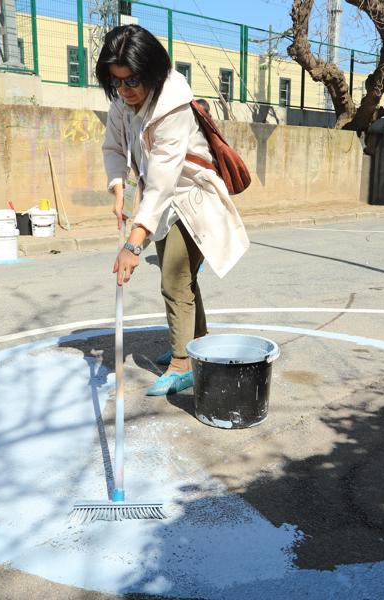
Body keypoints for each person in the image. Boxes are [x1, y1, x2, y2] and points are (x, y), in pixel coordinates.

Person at [98, 25, 249, 396]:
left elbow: (165, 178)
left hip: (191, 199)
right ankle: (195, 341)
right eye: (116, 81)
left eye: (132, 79)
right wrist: (118, 187)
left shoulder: (173, 105)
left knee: (174, 278)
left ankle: (183, 362)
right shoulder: (122, 102)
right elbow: (113, 149)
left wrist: (133, 245)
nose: (125, 89)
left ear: (150, 71)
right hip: (160, 202)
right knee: (181, 279)